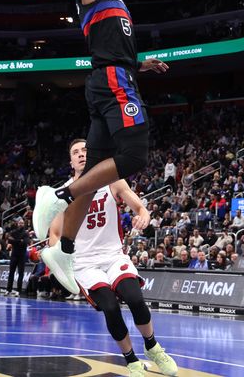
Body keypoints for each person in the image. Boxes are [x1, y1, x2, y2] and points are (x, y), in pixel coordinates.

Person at [33, 0, 169, 295]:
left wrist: (139, 64)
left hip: (113, 77)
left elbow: (112, 49)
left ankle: (63, 248)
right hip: (112, 83)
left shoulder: (115, 1)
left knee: (96, 171)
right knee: (132, 159)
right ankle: (61, 193)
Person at [45, 138, 178, 377]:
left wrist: (143, 213)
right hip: (84, 262)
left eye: (85, 149)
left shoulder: (111, 180)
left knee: (135, 299)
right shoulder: (63, 194)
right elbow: (54, 234)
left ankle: (152, 347)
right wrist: (57, 257)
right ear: (71, 161)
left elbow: (137, 204)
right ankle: (131, 361)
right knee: (111, 307)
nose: (81, 154)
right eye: (76, 152)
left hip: (113, 255)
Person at [5, 219, 30, 297]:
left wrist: (15, 241)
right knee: (11, 273)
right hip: (14, 255)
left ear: (24, 224)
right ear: (17, 224)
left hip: (22, 256)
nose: (20, 224)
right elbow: (9, 240)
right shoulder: (13, 232)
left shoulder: (26, 233)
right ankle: (8, 290)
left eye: (22, 223)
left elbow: (25, 243)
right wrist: (19, 241)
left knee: (21, 273)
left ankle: (18, 291)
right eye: (19, 223)